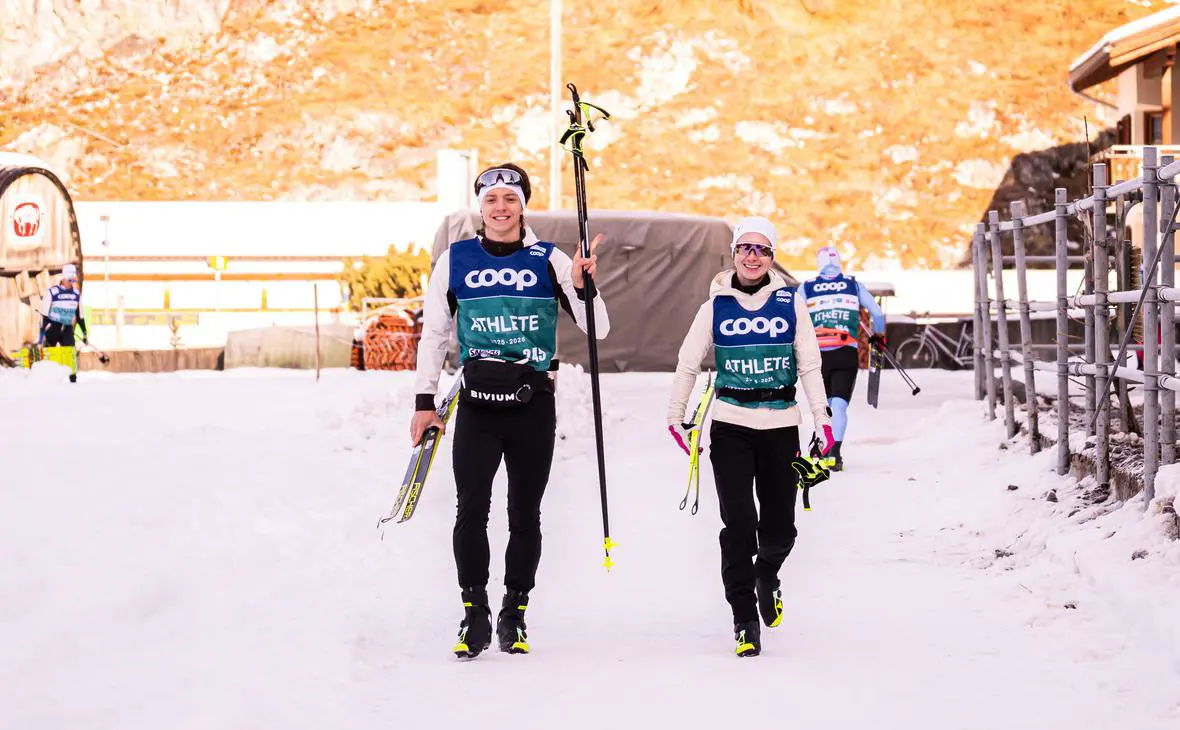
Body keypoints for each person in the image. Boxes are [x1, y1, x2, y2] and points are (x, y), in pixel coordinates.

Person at [411, 163, 610, 659]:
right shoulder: (455, 260)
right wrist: (423, 402)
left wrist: (585, 285)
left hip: (532, 405)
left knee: (525, 514)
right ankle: (473, 610)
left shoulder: (551, 259)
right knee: (470, 512)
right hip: (477, 404)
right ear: (481, 205)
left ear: (523, 204)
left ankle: (514, 612)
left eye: (510, 198)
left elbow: (598, 329)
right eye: (492, 198)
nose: (501, 207)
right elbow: (434, 335)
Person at [666, 216, 833, 658]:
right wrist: (675, 417)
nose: (753, 256)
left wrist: (822, 418)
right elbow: (688, 364)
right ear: (734, 254)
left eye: (761, 249)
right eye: (745, 248)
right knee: (738, 525)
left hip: (781, 425)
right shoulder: (714, 306)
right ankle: (743, 619)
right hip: (730, 425)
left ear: (772, 258)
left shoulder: (790, 302)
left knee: (780, 530)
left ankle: (767, 576)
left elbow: (809, 365)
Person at [800, 246, 885, 471]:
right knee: (838, 405)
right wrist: (879, 337)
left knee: (823, 405)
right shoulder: (852, 284)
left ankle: (824, 448)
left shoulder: (806, 287)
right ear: (839, 262)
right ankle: (834, 454)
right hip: (845, 352)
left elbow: (794, 317)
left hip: (816, 355)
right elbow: (876, 313)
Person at [38, 263, 89, 383]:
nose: (72, 282)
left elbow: (80, 316)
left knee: (70, 356)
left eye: (73, 279)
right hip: (53, 327)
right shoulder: (52, 292)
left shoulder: (76, 295)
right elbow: (44, 315)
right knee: (49, 356)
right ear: (63, 278)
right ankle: (46, 382)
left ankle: (73, 383)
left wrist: (85, 334)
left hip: (67, 328)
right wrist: (41, 334)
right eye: (69, 279)